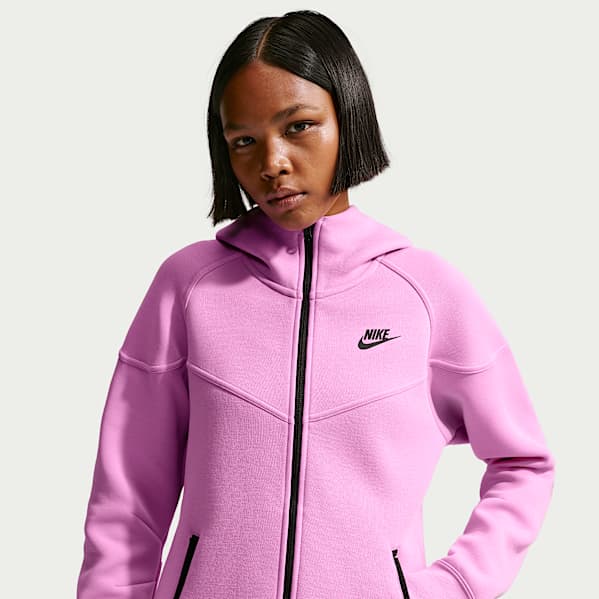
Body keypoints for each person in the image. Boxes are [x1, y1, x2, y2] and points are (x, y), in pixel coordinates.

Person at [76, 10, 556, 599]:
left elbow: (523, 463)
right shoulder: (188, 288)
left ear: (347, 117)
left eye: (298, 126)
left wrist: (456, 583)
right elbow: (126, 499)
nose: (271, 163)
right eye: (244, 141)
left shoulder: (426, 294)